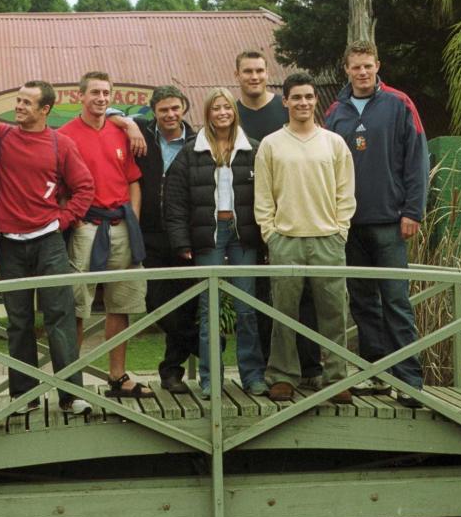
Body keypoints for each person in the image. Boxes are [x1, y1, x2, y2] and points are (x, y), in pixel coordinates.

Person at [323, 40, 430, 408]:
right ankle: (376, 376)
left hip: (390, 222)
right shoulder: (335, 112)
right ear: (346, 69)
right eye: (356, 67)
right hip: (348, 225)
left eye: (368, 66)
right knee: (363, 304)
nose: (363, 72)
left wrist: (413, 211)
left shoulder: (400, 104)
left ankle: (410, 381)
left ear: (378, 65)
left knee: (396, 301)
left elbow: (416, 160)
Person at [0, 80, 96, 416]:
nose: (19, 107)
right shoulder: (2, 136)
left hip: (49, 242)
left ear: (45, 110)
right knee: (18, 321)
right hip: (9, 243)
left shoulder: (60, 144)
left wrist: (63, 220)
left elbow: (84, 187)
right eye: (18, 101)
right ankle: (24, 396)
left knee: (60, 316)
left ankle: (70, 395)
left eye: (27, 103)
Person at [255, 72, 355, 404]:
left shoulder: (333, 143)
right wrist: (270, 233)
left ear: (316, 100)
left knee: (334, 313)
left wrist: (341, 229)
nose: (303, 103)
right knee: (284, 312)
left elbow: (345, 192)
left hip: (328, 238)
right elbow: (264, 196)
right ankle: (282, 376)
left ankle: (337, 377)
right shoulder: (271, 144)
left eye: (309, 97)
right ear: (285, 101)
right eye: (296, 97)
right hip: (286, 239)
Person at [164, 87, 266, 399]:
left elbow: (269, 193)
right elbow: (175, 201)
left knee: (247, 308)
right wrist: (182, 241)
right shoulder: (191, 152)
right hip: (208, 236)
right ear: (207, 113)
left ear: (234, 112)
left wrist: (265, 234)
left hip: (243, 235)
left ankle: (252, 375)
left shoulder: (254, 149)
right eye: (215, 108)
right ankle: (210, 379)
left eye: (227, 108)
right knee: (209, 309)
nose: (222, 113)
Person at [60, 71, 152, 398]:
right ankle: (71, 383)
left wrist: (134, 220)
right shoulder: (66, 136)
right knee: (77, 306)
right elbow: (58, 187)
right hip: (86, 227)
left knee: (120, 303)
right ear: (80, 97)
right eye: (95, 93)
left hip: (121, 224)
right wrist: (74, 220)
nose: (101, 98)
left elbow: (132, 181)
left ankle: (117, 377)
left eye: (106, 93)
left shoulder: (119, 130)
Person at [234, 51, 322, 386]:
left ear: (266, 73)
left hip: (296, 222)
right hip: (250, 222)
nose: (254, 77)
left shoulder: (285, 108)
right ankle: (272, 371)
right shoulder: (233, 113)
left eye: (259, 70)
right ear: (237, 75)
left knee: (307, 299)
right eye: (247, 71)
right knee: (262, 301)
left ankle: (311, 367)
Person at [132, 86, 199, 394]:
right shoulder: (141, 138)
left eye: (175, 108)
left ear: (183, 107)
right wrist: (127, 123)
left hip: (187, 233)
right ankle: (202, 343)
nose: (171, 115)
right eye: (163, 110)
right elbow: (109, 113)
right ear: (154, 112)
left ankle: (171, 372)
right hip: (151, 232)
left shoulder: (198, 141)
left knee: (185, 304)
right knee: (154, 302)